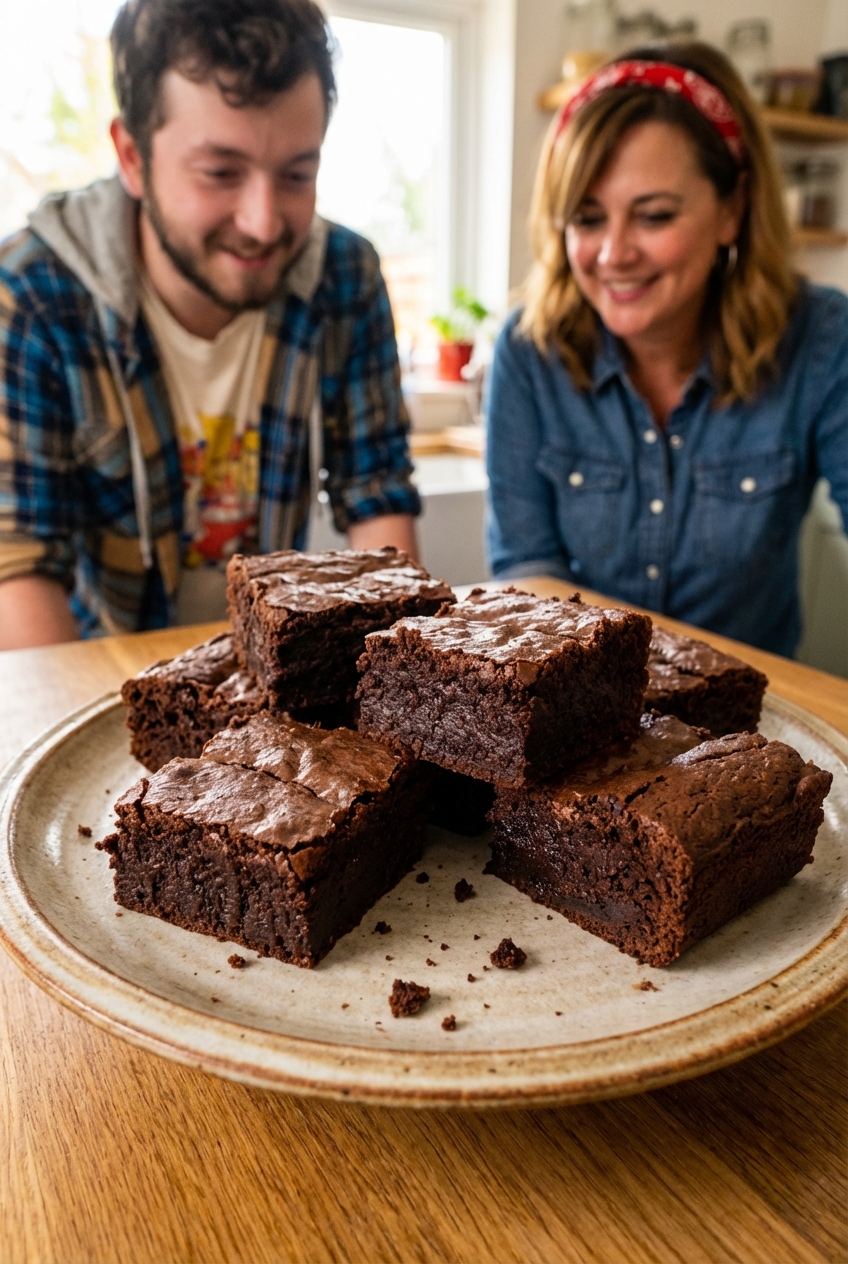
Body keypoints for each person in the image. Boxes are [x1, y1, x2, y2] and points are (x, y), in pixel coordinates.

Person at [0, 0, 421, 650]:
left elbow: (376, 494)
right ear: (133, 156)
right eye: (220, 173)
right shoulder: (32, 294)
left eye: (296, 175)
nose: (263, 221)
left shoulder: (345, 275)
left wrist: (408, 689)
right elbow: (20, 566)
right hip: (99, 673)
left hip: (274, 672)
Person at [486, 42, 847, 657]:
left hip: (749, 728)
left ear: (732, 209)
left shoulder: (820, 338)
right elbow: (528, 575)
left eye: (653, 216)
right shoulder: (529, 353)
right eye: (588, 218)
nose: (613, 255)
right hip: (584, 718)